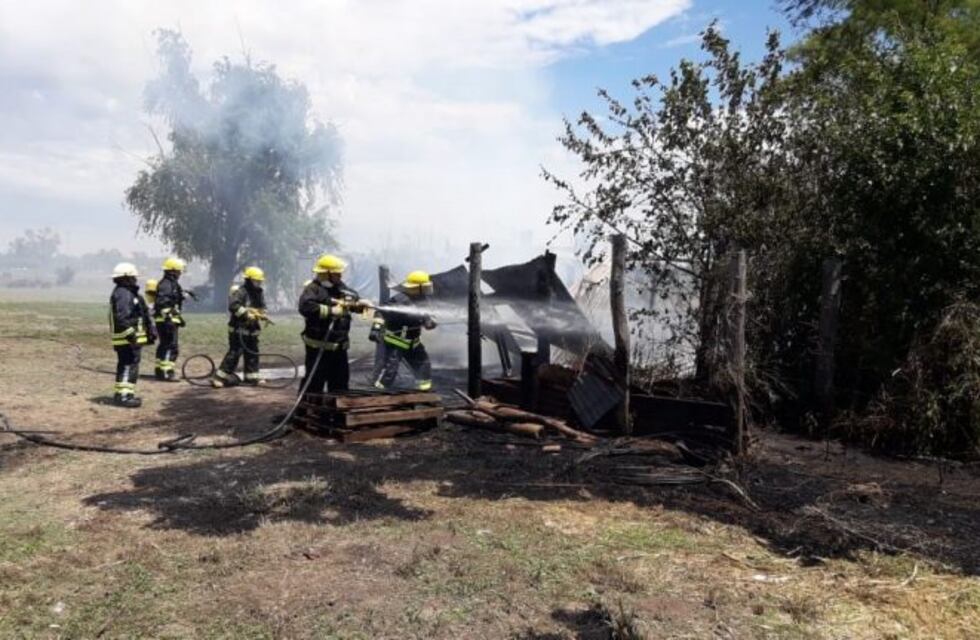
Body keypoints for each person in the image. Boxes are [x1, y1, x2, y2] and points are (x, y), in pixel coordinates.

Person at [297, 254, 369, 394]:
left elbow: (351, 298)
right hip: (319, 348)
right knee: (314, 384)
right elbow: (305, 307)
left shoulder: (340, 287)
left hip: (339, 349)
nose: (341, 275)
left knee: (340, 385)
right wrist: (331, 311)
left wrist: (360, 303)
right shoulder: (313, 289)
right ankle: (306, 412)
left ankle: (335, 415)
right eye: (337, 273)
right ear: (327, 274)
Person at [372, 270, 437, 391]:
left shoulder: (423, 300)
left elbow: (426, 316)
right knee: (389, 371)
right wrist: (376, 328)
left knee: (424, 366)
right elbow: (380, 311)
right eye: (424, 287)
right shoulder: (399, 300)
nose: (426, 290)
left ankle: (422, 393)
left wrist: (429, 322)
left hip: (414, 343)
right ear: (417, 287)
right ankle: (378, 393)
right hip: (396, 343)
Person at [108, 262, 155, 408]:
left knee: (129, 365)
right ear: (126, 278)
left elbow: (139, 314)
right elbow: (122, 318)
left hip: (129, 339)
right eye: (133, 277)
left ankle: (126, 394)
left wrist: (149, 331)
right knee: (127, 365)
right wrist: (131, 336)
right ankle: (123, 396)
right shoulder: (123, 294)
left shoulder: (127, 293)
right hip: (126, 339)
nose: (135, 280)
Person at [213, 267, 268, 387]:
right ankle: (220, 377)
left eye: (260, 281)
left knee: (253, 353)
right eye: (256, 281)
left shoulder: (259, 293)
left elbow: (262, 307)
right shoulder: (241, 292)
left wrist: (262, 314)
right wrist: (246, 314)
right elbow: (233, 306)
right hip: (238, 329)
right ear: (249, 280)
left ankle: (251, 377)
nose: (259, 283)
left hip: (252, 330)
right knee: (235, 353)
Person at [153, 257, 188, 381]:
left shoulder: (169, 284)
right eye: (178, 271)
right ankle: (167, 372)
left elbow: (170, 299)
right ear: (172, 271)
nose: (180, 274)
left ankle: (160, 370)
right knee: (171, 346)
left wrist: (181, 296)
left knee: (164, 345)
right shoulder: (167, 285)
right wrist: (168, 318)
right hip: (167, 320)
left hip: (165, 319)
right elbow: (162, 302)